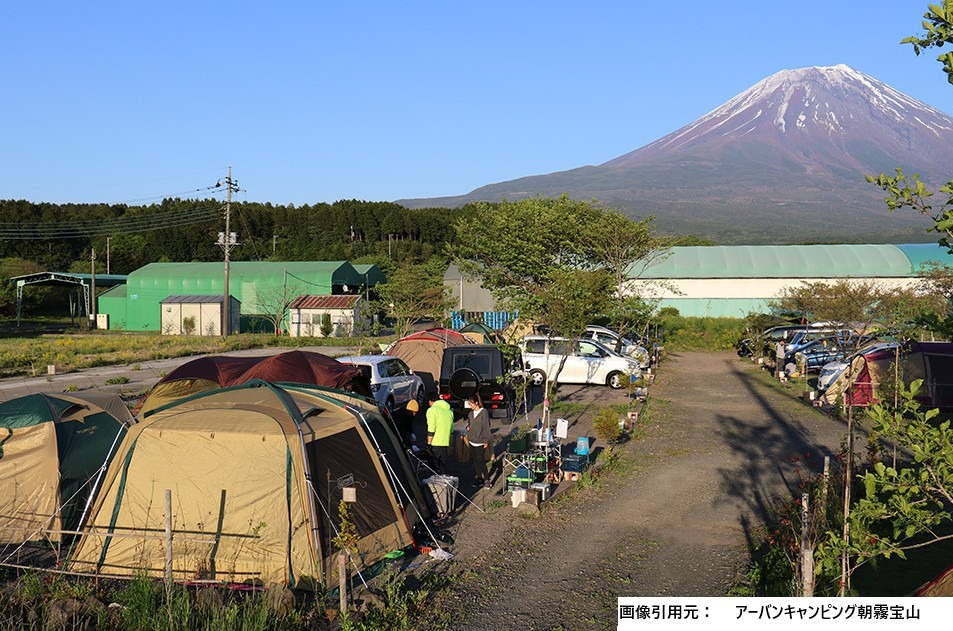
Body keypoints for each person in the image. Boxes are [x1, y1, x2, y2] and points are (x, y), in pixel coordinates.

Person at [465, 394, 494, 489]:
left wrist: (486, 440)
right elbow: (469, 423)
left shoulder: (484, 413)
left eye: (471, 404)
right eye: (469, 404)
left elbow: (486, 427)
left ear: (476, 403)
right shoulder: (470, 414)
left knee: (481, 461)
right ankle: (479, 478)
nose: (470, 406)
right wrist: (468, 427)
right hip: (472, 440)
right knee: (476, 461)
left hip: (480, 441)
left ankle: (486, 479)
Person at [425, 392, 454, 473]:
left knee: (434, 467)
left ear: (430, 401)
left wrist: (429, 442)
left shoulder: (432, 410)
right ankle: (444, 483)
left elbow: (431, 428)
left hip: (435, 443)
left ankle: (435, 484)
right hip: (445, 442)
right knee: (442, 466)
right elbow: (451, 429)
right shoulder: (449, 411)